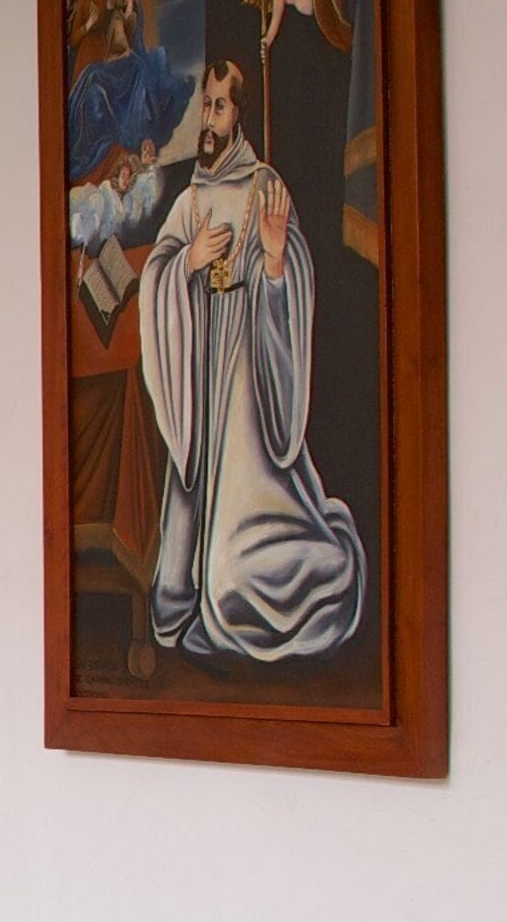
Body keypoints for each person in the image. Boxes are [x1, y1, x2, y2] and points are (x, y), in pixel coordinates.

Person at [140, 58, 366, 661]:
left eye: (220, 106)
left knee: (229, 582)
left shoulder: (266, 185)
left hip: (246, 384)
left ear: (239, 113)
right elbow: (158, 275)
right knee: (183, 577)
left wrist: (272, 260)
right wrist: (187, 264)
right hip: (200, 378)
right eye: (205, 104)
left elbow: (291, 284)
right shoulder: (191, 197)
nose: (208, 118)